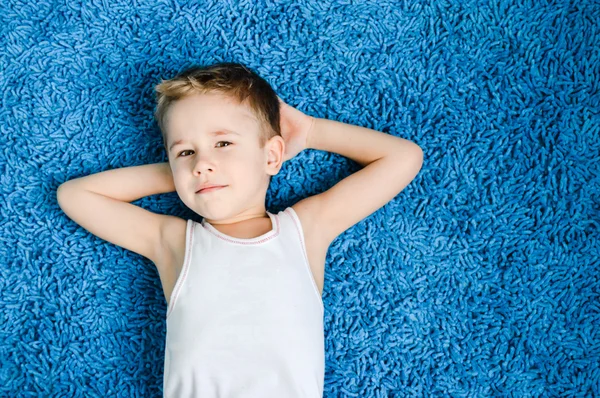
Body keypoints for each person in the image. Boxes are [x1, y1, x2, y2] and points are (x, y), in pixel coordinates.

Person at [56, 61, 424, 397]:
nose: (203, 163)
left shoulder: (305, 230)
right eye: (186, 151)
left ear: (272, 156)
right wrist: (186, 174)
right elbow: (76, 195)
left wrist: (310, 131)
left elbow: (403, 157)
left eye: (223, 143)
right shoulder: (174, 243)